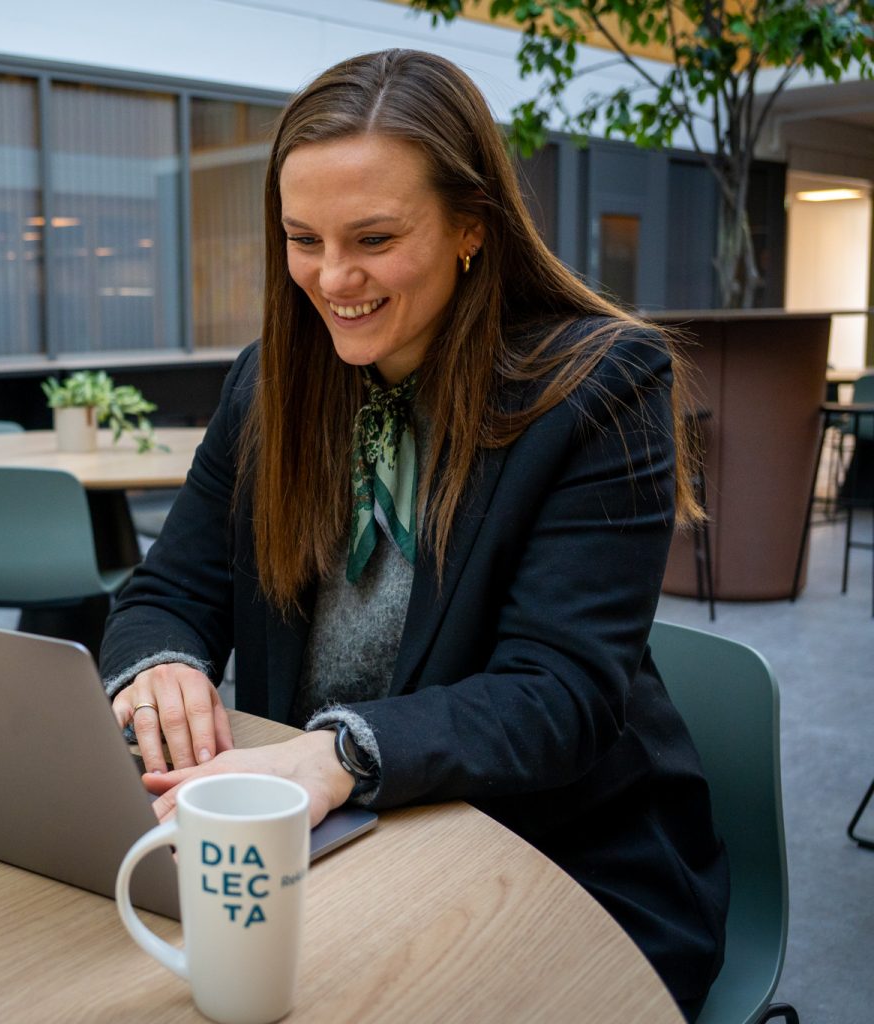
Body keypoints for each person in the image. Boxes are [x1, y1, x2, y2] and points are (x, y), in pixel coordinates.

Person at [99, 49, 728, 1017]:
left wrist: (335, 756)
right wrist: (164, 667)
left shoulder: (600, 388)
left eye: (375, 238)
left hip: (555, 857)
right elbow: (166, 592)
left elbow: (557, 695)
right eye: (302, 239)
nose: (332, 277)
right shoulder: (270, 383)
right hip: (325, 850)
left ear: (473, 225)